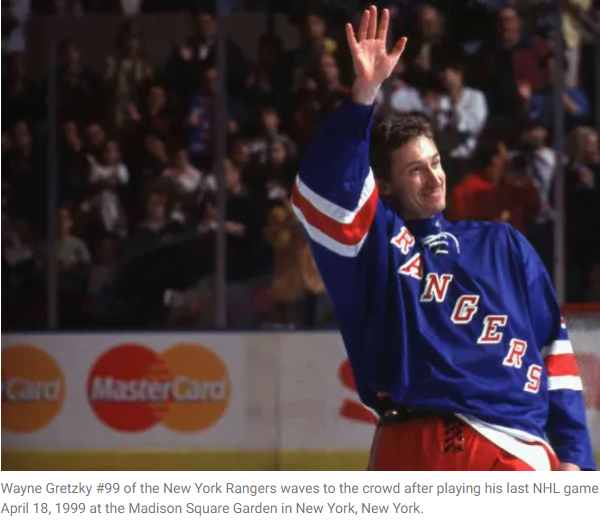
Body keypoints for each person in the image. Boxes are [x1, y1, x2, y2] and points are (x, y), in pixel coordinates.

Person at [291, 6, 595, 471]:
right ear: (385, 186)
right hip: (409, 451)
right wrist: (363, 95)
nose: (434, 178)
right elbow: (324, 188)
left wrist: (575, 456)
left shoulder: (504, 246)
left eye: (435, 163)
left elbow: (554, 350)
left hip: (510, 446)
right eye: (415, 170)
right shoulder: (376, 247)